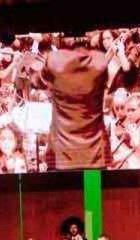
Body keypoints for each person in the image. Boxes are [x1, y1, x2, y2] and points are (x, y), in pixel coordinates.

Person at [40, 36, 110, 170]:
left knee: (66, 191)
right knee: (92, 191)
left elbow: (39, 81)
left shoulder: (54, 60)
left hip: (62, 154)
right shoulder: (100, 60)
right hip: (94, 154)